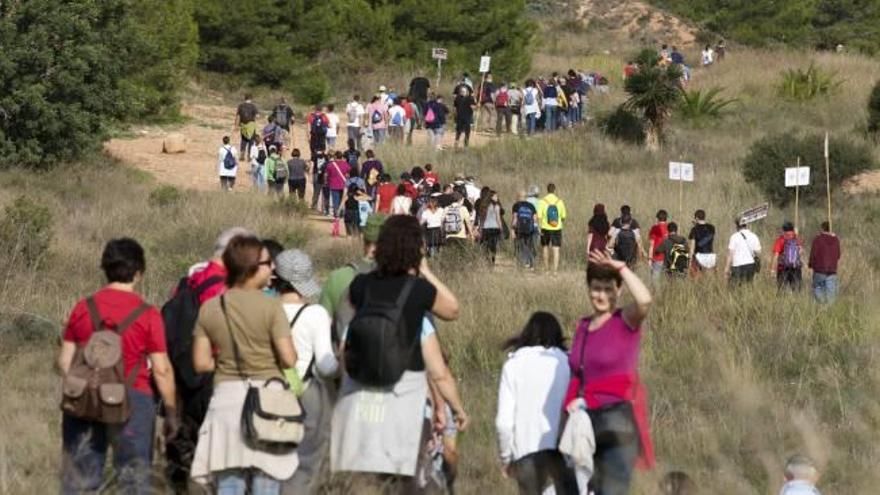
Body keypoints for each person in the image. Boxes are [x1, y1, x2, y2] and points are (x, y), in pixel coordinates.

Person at [331, 216, 469, 491]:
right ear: (415, 250)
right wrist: (455, 408)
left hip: (359, 397)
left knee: (363, 484)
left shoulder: (360, 286)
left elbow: (346, 340)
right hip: (403, 399)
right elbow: (452, 311)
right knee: (403, 482)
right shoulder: (418, 291)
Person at [59, 238, 179, 495]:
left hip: (85, 398)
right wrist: (170, 411)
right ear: (139, 272)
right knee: (134, 482)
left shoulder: (83, 307)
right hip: (133, 400)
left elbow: (65, 362)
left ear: (105, 268)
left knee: (79, 482)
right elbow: (161, 369)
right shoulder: (147, 313)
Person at [190, 235, 298, 493]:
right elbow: (289, 358)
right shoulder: (272, 307)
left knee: (229, 481)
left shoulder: (211, 308)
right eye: (267, 263)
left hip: (226, 399)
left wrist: (229, 359)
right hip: (268, 402)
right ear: (251, 268)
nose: (272, 268)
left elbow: (201, 362)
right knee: (266, 478)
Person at [565, 251, 655, 495]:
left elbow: (645, 301)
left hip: (616, 420)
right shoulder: (583, 326)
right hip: (583, 418)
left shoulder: (624, 321)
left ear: (618, 291)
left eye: (608, 289)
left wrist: (622, 268)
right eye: (596, 288)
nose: (601, 295)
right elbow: (576, 375)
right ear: (588, 289)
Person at [273, 249, 340, 495]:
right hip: (306, 394)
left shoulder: (266, 309)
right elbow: (326, 366)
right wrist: (343, 361)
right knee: (305, 464)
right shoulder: (315, 314)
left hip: (269, 393)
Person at [496, 312, 578, 495]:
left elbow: (503, 423)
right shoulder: (567, 363)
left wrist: (506, 458)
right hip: (563, 451)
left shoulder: (513, 365)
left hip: (526, 452)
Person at [319, 214, 388, 340]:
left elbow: (322, 329)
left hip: (344, 355)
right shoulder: (397, 280)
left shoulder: (337, 277)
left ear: (362, 238)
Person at [537, 183, 566, 273]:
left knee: (545, 247)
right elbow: (563, 216)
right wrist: (559, 223)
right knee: (556, 249)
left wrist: (539, 227)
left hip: (545, 227)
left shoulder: (542, 201)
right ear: (554, 190)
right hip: (557, 228)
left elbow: (539, 216)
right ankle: (555, 270)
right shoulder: (560, 201)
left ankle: (546, 270)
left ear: (547, 190)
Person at [808, 221, 840, 303]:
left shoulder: (818, 239)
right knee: (831, 294)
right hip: (832, 270)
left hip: (819, 270)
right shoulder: (835, 240)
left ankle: (822, 306)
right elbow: (838, 255)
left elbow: (813, 254)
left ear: (822, 228)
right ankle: (829, 311)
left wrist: (811, 264)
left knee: (817, 288)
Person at [725, 217, 762, 284]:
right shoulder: (754, 236)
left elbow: (730, 254)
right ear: (746, 225)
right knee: (748, 286)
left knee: (735, 288)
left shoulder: (734, 237)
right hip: (750, 265)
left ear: (737, 225)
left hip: (737, 265)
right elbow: (758, 252)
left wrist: (727, 268)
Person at [771, 221, 804, 291]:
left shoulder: (780, 240)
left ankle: (782, 302)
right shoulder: (796, 238)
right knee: (797, 291)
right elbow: (800, 251)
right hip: (796, 268)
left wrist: (773, 270)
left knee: (781, 291)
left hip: (782, 268)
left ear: (783, 230)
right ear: (792, 229)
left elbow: (776, 256)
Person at [476, 190, 505, 265]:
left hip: (485, 228)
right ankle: (492, 261)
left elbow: (482, 219)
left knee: (485, 245)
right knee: (493, 246)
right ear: (491, 197)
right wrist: (501, 228)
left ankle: (486, 260)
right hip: (494, 228)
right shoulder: (496, 206)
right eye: (495, 196)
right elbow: (498, 218)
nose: (497, 198)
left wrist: (480, 228)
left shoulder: (483, 206)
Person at [512, 191, 538, 269]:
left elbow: (515, 218)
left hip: (519, 229)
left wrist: (512, 229)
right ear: (526, 197)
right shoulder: (531, 206)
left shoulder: (516, 205)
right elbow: (535, 219)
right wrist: (535, 228)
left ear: (519, 197)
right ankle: (531, 264)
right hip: (530, 229)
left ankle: (521, 264)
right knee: (529, 246)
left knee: (520, 246)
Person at [687, 209, 716, 274]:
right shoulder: (712, 228)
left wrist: (689, 261)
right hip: (710, 255)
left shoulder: (694, 229)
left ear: (696, 218)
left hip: (698, 256)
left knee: (697, 280)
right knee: (709, 281)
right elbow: (704, 231)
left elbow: (692, 247)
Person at [327, 151, 352, 220]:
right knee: (342, 200)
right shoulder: (346, 164)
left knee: (335, 201)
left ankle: (336, 215)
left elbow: (327, 175)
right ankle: (341, 214)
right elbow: (349, 174)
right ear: (342, 157)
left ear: (335, 157)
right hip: (343, 185)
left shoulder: (330, 165)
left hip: (333, 185)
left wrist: (326, 181)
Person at [234, 94, 259, 160]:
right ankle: (249, 155)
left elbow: (238, 116)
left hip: (243, 125)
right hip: (251, 125)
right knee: (251, 140)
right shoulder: (253, 106)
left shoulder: (241, 106)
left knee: (244, 139)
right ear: (251, 99)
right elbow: (257, 116)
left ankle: (242, 152)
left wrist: (236, 125)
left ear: (244, 98)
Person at [647, 210, 670, 281]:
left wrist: (650, 259)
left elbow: (651, 245)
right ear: (666, 218)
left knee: (655, 281)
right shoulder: (670, 227)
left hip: (657, 258)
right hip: (668, 258)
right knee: (667, 279)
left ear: (657, 218)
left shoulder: (654, 228)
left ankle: (657, 292)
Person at [310, 150, 329, 214]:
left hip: (316, 175)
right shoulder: (326, 156)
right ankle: (324, 209)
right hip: (324, 175)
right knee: (325, 192)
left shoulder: (314, 156)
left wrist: (310, 174)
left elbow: (312, 166)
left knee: (316, 192)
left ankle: (314, 207)